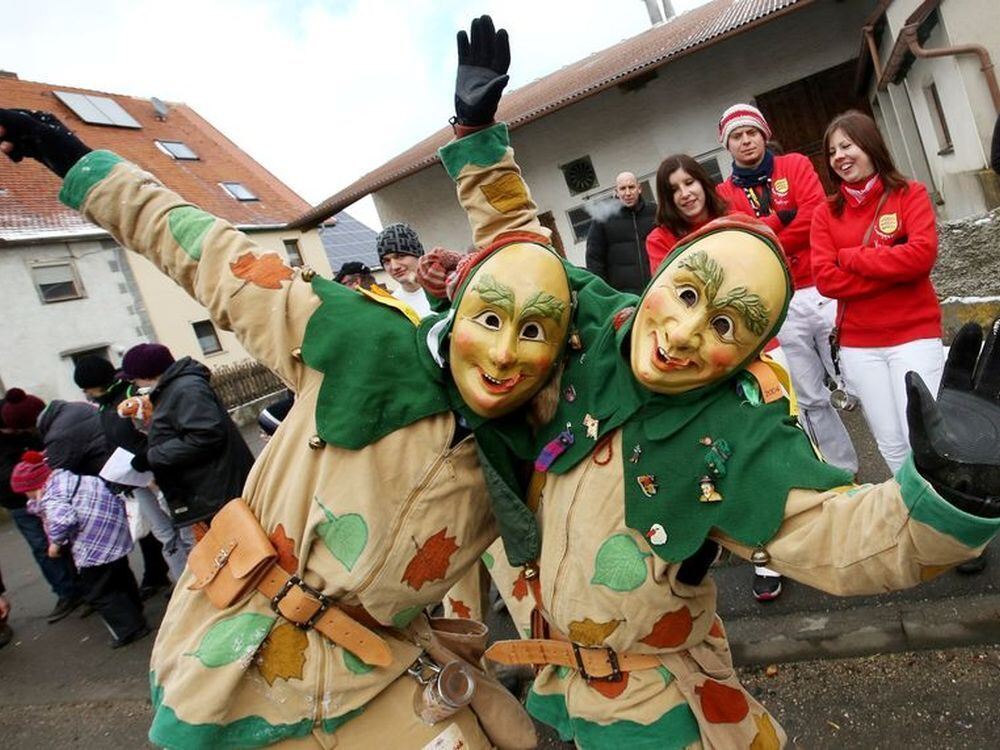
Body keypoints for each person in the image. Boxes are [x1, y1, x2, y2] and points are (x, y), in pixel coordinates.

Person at [434, 24, 1000, 748]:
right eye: (688, 294)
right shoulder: (595, 328)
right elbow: (520, 248)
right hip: (558, 686)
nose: (682, 335)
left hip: (658, 708)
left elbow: (841, 537)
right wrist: (479, 139)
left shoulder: (734, 436)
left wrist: (952, 494)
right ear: (661, 277)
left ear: (749, 354)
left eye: (728, 325)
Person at [0, 26, 567, 745]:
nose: (507, 352)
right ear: (457, 308)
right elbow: (200, 247)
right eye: (490, 317)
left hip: (386, 678)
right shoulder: (355, 338)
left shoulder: (542, 424)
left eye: (536, 333)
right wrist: (71, 156)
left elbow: (537, 274)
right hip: (235, 659)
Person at [717, 103, 858, 600]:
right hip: (778, 296)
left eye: (751, 133)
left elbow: (816, 215)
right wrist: (785, 219)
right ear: (727, 146)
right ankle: (841, 470)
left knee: (856, 377)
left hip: (824, 284)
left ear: (765, 135)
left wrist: (770, 227)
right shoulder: (724, 193)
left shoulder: (795, 165)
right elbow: (741, 238)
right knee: (808, 395)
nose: (746, 141)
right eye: (736, 137)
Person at [811, 110, 944, 478]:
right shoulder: (826, 213)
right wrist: (892, 267)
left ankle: (943, 507)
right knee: (891, 442)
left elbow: (920, 257)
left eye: (847, 146)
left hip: (914, 336)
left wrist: (852, 257)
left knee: (924, 438)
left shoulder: (909, 194)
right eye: (832, 151)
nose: (839, 156)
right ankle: (911, 507)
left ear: (869, 145)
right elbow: (826, 280)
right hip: (860, 345)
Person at [4, 386, 172, 599]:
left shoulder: (58, 435)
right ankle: (155, 577)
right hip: (124, 472)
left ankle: (155, 581)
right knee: (152, 527)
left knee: (152, 529)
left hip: (115, 479)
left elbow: (55, 479)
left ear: (27, 425)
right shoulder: (72, 409)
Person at [12, 450, 149, 648]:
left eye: (27, 492)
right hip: (113, 535)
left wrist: (55, 544)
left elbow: (64, 520)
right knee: (121, 577)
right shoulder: (75, 480)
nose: (28, 496)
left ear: (36, 485)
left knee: (99, 591)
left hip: (93, 547)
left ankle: (129, 628)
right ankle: (135, 611)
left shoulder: (52, 497)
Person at [73, 355, 191, 583]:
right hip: (135, 480)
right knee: (165, 535)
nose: (86, 392)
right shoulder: (104, 407)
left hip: (158, 473)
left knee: (186, 530)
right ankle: (183, 586)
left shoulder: (131, 395)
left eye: (86, 387)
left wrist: (151, 463)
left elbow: (156, 431)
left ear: (95, 383)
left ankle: (204, 578)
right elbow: (112, 442)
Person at [120, 343, 254, 528]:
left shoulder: (185, 389)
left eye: (134, 378)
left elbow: (205, 436)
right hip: (211, 487)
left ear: (146, 373)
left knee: (243, 539)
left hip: (217, 488)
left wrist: (152, 456)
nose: (134, 383)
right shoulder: (175, 389)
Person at [1, 401, 84, 623]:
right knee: (42, 547)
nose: (15, 432)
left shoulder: (29, 428)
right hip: (18, 502)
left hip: (50, 492)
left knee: (69, 536)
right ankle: (67, 592)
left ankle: (87, 587)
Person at [646, 154, 729, 273]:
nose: (685, 194)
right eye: (674, 190)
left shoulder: (734, 221)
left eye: (689, 183)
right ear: (667, 198)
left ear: (703, 183)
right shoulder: (659, 240)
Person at [585, 170, 657, 294]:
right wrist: (605, 293)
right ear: (616, 192)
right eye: (623, 188)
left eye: (631, 187)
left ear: (639, 189)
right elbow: (594, 260)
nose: (627, 193)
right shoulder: (603, 219)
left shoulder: (655, 212)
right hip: (623, 297)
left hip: (657, 289)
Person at [375, 222, 433, 317]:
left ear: (418, 255)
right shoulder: (393, 306)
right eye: (386, 261)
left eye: (400, 256)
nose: (394, 267)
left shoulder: (446, 290)